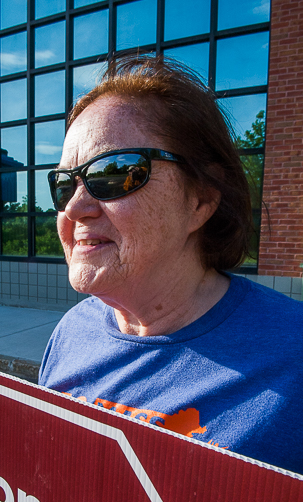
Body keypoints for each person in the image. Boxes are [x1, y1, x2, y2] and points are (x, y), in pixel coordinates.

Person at [40, 55, 303, 475]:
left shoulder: (294, 357)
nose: (75, 207)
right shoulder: (72, 332)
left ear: (201, 200)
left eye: (114, 172)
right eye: (63, 183)